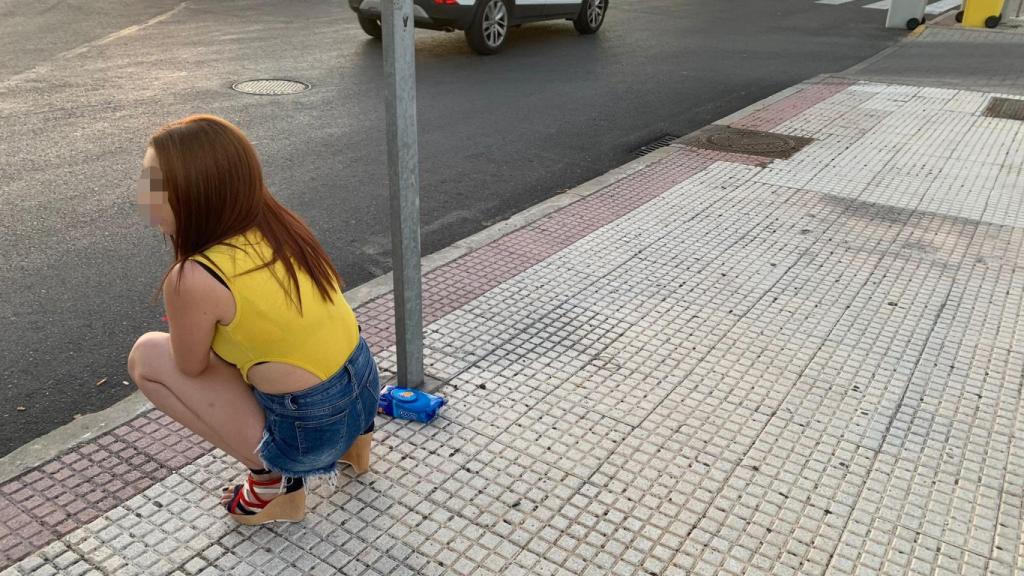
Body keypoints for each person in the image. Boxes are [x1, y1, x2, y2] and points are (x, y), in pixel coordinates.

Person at [128, 114, 380, 525]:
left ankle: (274, 483)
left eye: (154, 184)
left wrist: (191, 323)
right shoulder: (281, 226)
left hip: (314, 433)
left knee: (147, 358)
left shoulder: (194, 277)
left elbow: (190, 366)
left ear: (197, 194)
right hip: (364, 391)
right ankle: (356, 445)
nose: (143, 194)